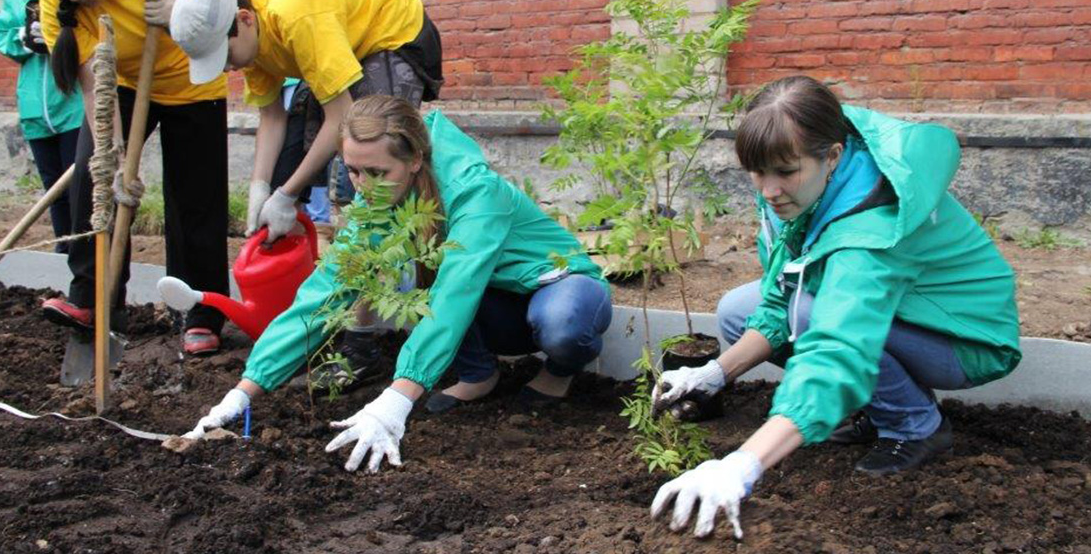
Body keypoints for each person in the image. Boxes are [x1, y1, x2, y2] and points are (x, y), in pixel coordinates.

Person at [649, 76, 1021, 539]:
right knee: (737, 311)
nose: (767, 190)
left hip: (966, 338)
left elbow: (837, 349)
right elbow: (777, 294)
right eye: (757, 172)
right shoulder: (802, 186)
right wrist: (712, 375)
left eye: (784, 172)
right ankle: (879, 407)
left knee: (810, 314)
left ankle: (916, 427)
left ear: (833, 156)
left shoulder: (870, 226)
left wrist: (742, 465)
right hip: (901, 316)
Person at [184, 95, 613, 473]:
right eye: (352, 171)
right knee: (409, 282)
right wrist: (244, 390)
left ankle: (559, 371)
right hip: (495, 304)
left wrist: (397, 399)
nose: (362, 186)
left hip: (557, 285)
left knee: (563, 326)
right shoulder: (378, 204)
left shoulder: (475, 192)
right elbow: (321, 297)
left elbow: (455, 293)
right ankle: (480, 373)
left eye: (376, 171)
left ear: (414, 161)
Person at [167, 0, 442, 381]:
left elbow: (343, 118)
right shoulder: (251, 32)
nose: (226, 68)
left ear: (244, 21)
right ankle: (305, 320)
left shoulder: (297, 17)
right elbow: (273, 120)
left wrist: (287, 193)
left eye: (224, 56)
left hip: (394, 34)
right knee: (288, 169)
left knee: (360, 186)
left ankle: (362, 342)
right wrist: (264, 188)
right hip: (345, 44)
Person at [34, 0, 232, 355]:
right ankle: (92, 298)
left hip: (191, 84)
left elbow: (225, 3)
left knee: (194, 200)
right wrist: (116, 154)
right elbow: (92, 86)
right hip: (118, 86)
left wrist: (178, 8)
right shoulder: (57, 2)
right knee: (95, 180)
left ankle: (201, 311)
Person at [0, 0, 84, 254]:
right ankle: (63, 261)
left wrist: (58, 38)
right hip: (34, 105)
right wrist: (23, 38)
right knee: (52, 192)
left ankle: (85, 263)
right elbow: (1, 35)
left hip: (71, 103)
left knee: (79, 188)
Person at [242, 0, 334, 228]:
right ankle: (289, 219)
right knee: (282, 151)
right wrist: (259, 186)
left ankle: (318, 222)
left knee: (312, 144)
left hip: (309, 71)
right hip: (272, 70)